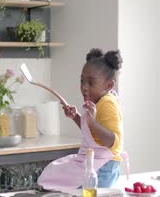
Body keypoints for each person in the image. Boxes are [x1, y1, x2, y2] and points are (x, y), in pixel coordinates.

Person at [38, 48, 124, 189]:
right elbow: (93, 135)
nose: (84, 87)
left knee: (58, 179)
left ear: (108, 86)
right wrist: (76, 117)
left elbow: (114, 142)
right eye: (82, 81)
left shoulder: (107, 103)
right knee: (55, 172)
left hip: (104, 167)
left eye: (91, 83)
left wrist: (93, 123)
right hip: (96, 163)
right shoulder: (99, 100)